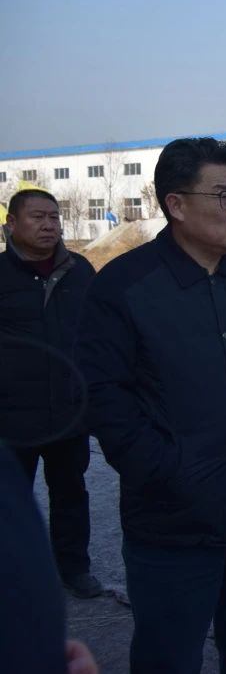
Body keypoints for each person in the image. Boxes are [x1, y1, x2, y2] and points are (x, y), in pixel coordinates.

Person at [76, 137, 226, 673]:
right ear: (176, 205)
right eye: (223, 195)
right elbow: (104, 396)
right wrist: (165, 469)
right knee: (170, 657)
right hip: (174, 520)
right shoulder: (125, 285)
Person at [0, 189, 102, 599]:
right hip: (10, 416)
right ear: (11, 224)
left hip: (68, 412)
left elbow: (97, 334)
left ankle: (73, 568)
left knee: (71, 494)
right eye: (37, 217)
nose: (48, 225)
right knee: (10, 501)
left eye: (54, 217)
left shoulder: (80, 271)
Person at [0, 448, 100, 674]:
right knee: (14, 507)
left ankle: (74, 566)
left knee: (70, 489)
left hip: (65, 431)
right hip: (14, 435)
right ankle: (20, 577)